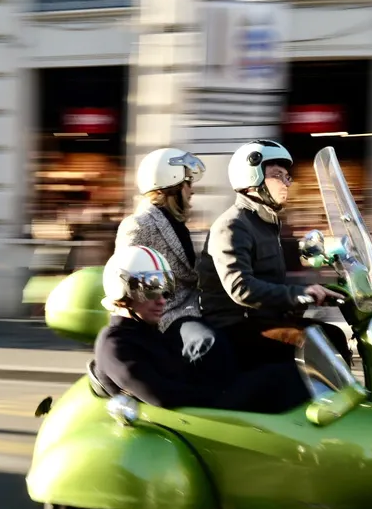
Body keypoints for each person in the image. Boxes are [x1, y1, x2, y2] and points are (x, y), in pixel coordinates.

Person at [93, 246, 310, 413]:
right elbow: (161, 396)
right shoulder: (115, 345)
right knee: (279, 380)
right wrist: (224, 391)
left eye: (165, 289)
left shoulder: (146, 331)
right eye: (151, 289)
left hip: (202, 402)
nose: (162, 300)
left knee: (284, 366)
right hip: (198, 412)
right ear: (122, 291)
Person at [195, 139, 352, 369]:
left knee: (332, 334)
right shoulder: (233, 225)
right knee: (323, 342)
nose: (286, 183)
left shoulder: (267, 224)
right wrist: (299, 294)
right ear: (252, 178)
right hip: (237, 326)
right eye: (277, 175)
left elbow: (272, 281)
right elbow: (241, 288)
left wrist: (318, 290)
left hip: (263, 320)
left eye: (287, 177)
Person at [116, 147, 224, 368]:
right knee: (209, 345)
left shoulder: (176, 222)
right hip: (167, 313)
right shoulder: (139, 224)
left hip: (195, 306)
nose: (192, 190)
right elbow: (125, 278)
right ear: (172, 185)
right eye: (188, 183)